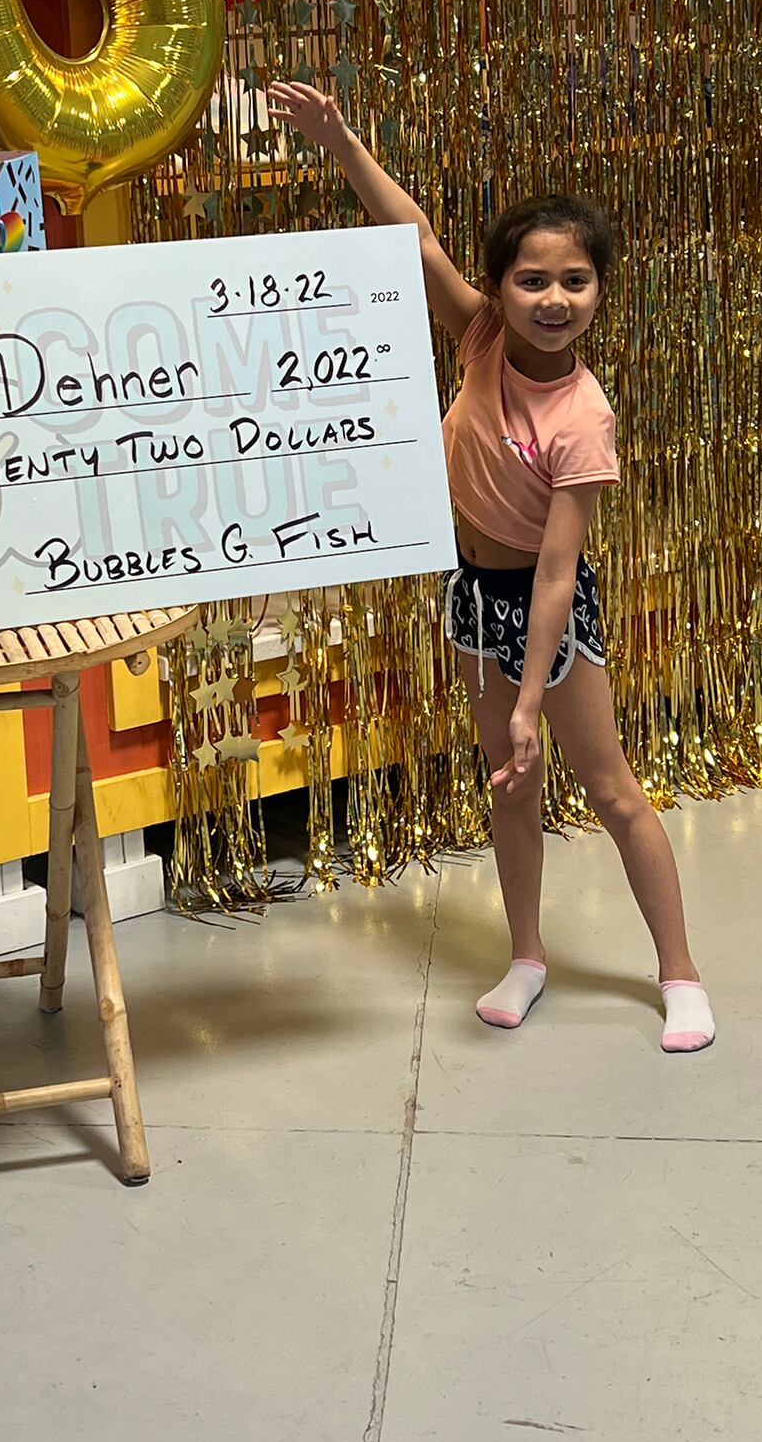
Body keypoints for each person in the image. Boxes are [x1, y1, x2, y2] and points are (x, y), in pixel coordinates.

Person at [266, 81, 714, 1053]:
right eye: (532, 280)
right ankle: (524, 954)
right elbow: (412, 238)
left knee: (607, 786)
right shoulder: (477, 340)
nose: (553, 300)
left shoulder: (582, 419)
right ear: (500, 287)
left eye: (576, 282)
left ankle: (678, 974)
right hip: (471, 596)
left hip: (544, 608)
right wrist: (340, 139)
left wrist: (526, 695)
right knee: (510, 784)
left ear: (601, 292)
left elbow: (557, 574)